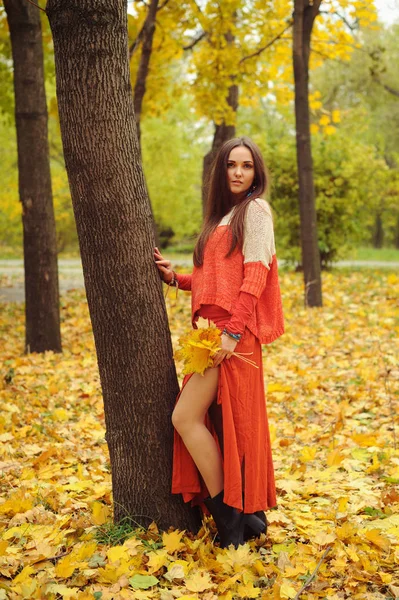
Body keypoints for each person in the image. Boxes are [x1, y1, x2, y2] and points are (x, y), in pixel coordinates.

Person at [154, 136, 284, 548]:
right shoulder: (221, 218)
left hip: (232, 336)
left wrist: (232, 334)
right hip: (207, 336)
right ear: (222, 170)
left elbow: (254, 277)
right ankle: (242, 520)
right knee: (214, 427)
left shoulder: (256, 212)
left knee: (187, 418)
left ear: (256, 172)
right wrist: (176, 278)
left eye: (247, 165)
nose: (239, 172)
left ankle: (232, 522)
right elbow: (215, 281)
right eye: (232, 165)